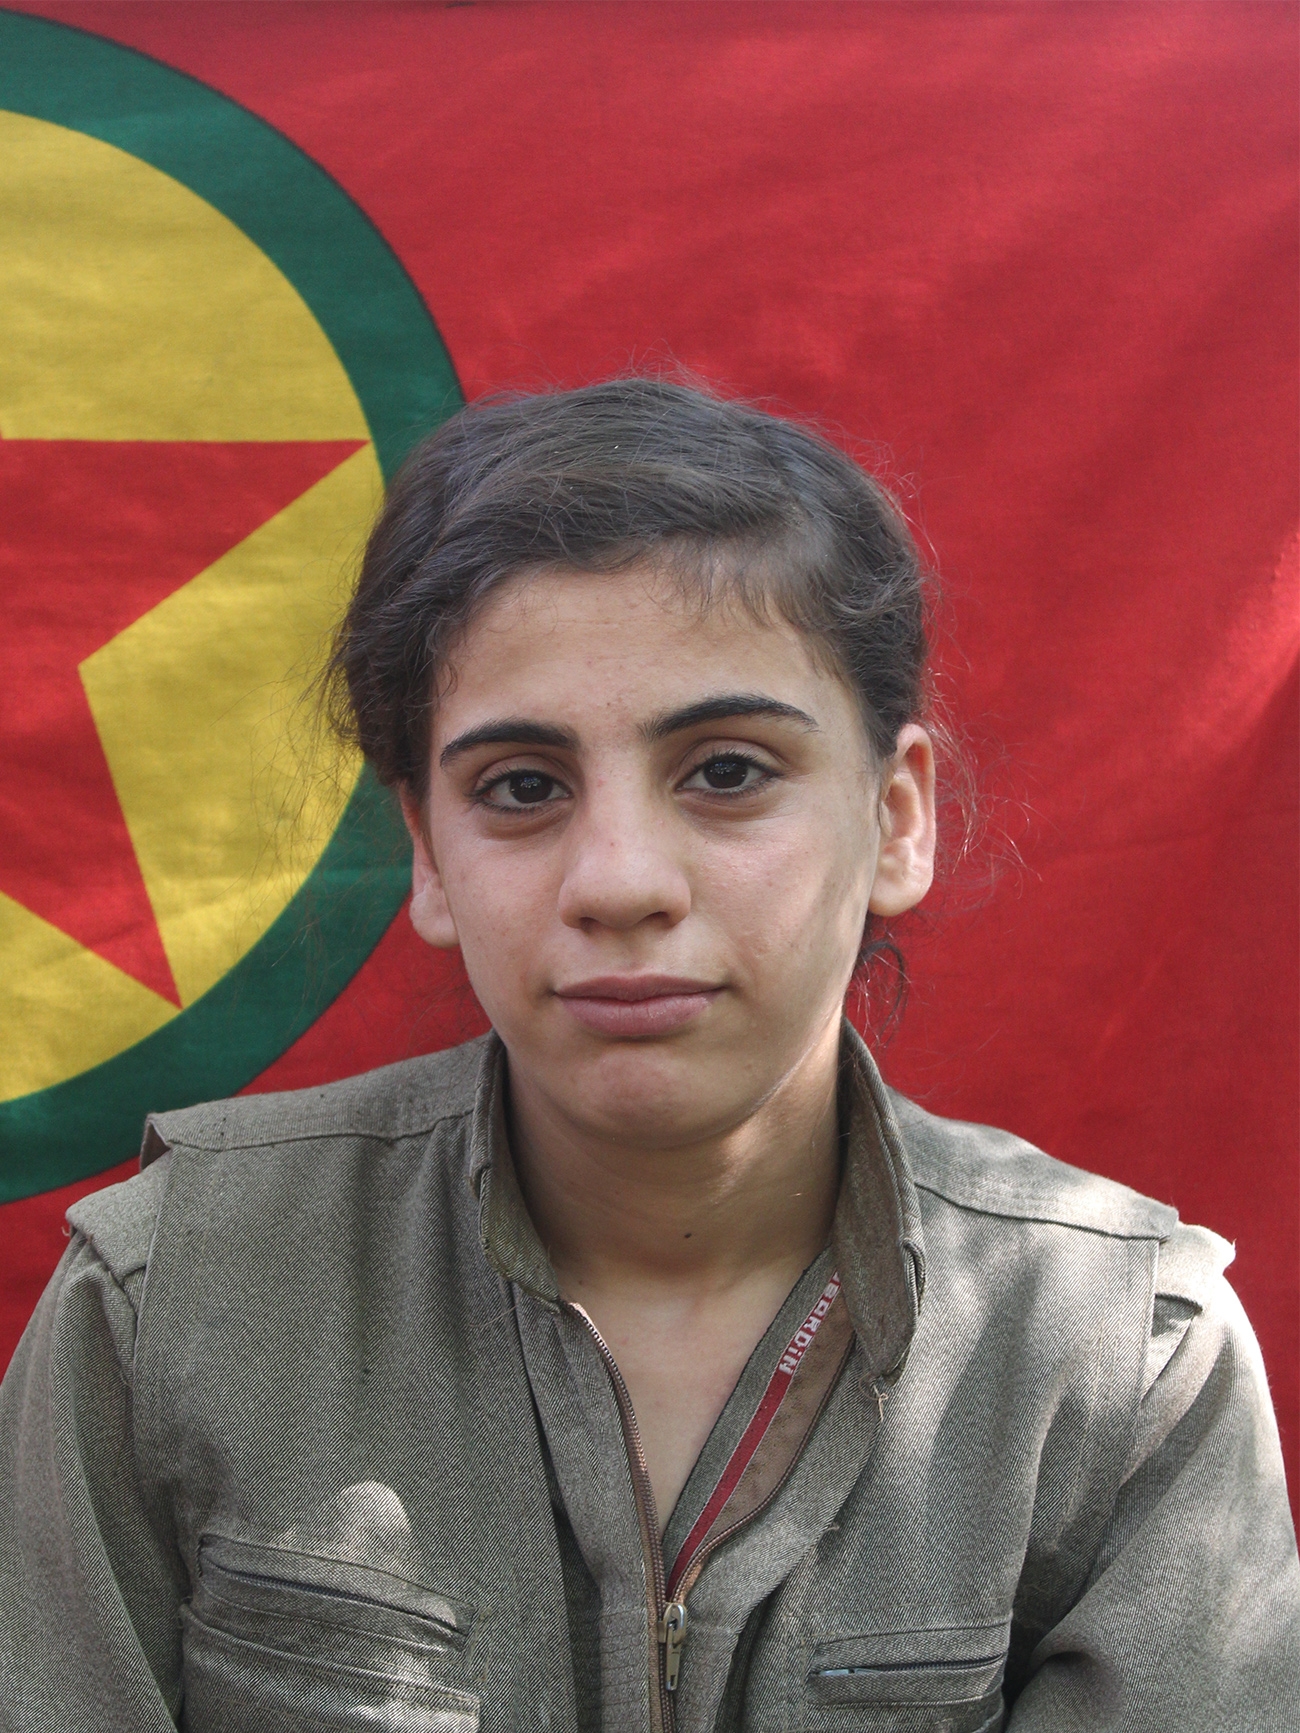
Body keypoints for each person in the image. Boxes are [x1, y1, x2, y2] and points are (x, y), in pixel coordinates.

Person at [0, 379, 1296, 1733]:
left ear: (896, 817)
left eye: (728, 771)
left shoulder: (1124, 1361)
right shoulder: (168, 1296)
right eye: (522, 788)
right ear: (429, 853)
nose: (618, 881)